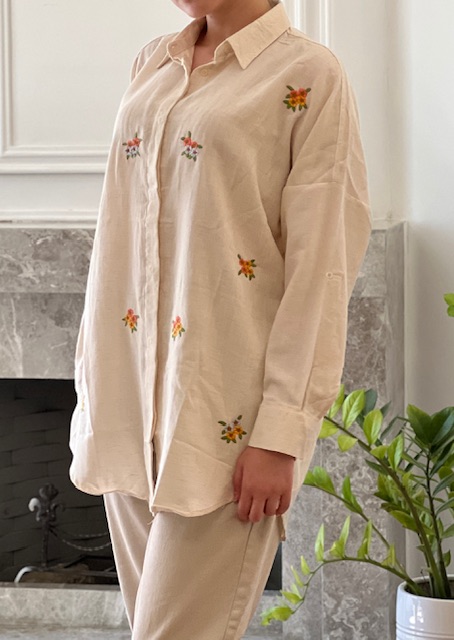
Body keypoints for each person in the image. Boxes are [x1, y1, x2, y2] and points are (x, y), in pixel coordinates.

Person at [68, 0, 372, 637]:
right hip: (130, 407)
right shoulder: (153, 62)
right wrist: (93, 389)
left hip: (226, 423)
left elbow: (322, 267)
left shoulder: (308, 76)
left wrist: (281, 432)